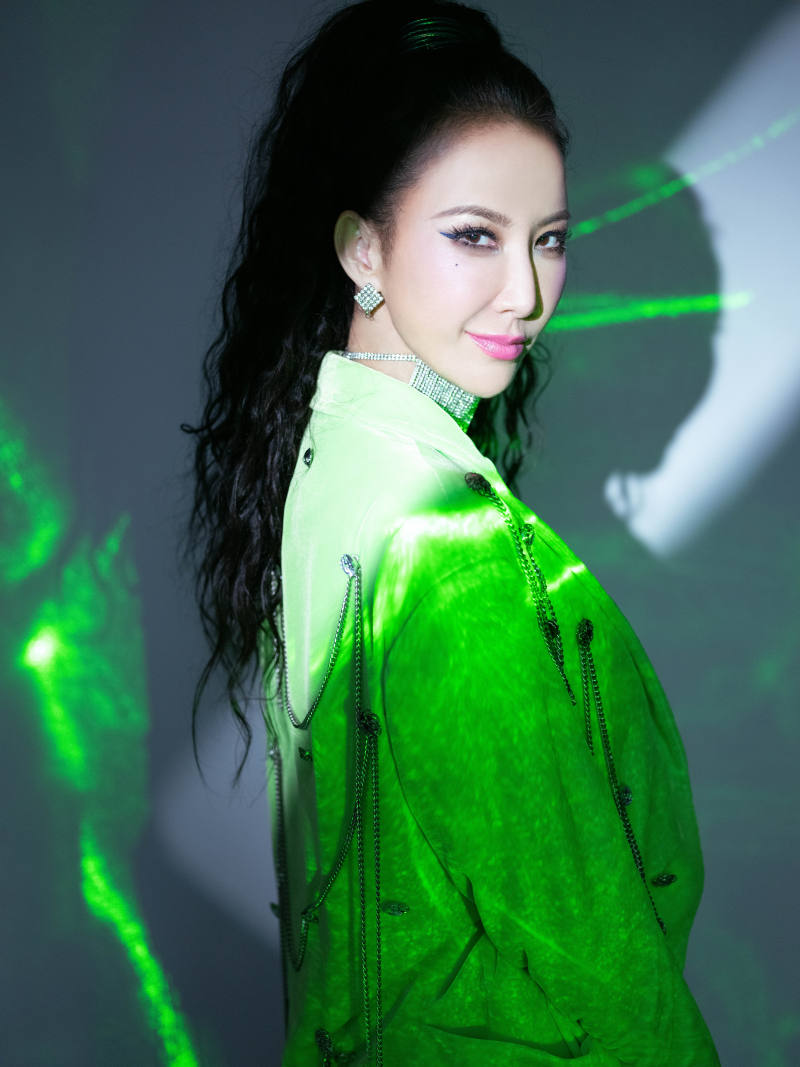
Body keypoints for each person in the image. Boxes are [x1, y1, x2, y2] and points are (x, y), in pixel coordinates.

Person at [183, 2, 721, 1063]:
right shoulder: (449, 548)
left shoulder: (327, 462)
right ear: (363, 248)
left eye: (548, 240)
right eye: (474, 235)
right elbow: (600, 968)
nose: (525, 294)